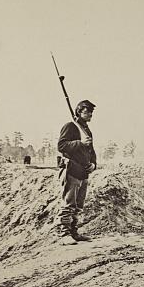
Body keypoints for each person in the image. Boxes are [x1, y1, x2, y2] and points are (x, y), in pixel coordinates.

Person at [56, 100, 97, 245]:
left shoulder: (86, 130)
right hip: (72, 170)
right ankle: (64, 233)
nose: (90, 114)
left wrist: (93, 164)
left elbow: (91, 151)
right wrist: (80, 143)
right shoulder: (71, 127)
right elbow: (61, 145)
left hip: (83, 172)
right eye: (87, 111)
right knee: (69, 204)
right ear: (79, 112)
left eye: (91, 112)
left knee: (78, 206)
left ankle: (73, 232)